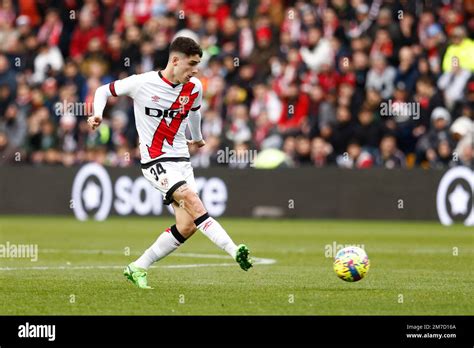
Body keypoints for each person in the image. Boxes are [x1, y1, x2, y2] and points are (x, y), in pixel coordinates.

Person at [88, 37, 253, 289]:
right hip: (155, 160)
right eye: (192, 64)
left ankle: (137, 267)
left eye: (198, 64)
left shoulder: (194, 87)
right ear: (175, 60)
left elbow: (195, 112)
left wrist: (197, 138)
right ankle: (235, 250)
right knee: (193, 201)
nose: (196, 70)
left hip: (181, 161)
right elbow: (103, 90)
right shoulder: (142, 83)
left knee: (187, 226)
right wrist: (98, 113)